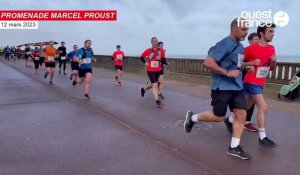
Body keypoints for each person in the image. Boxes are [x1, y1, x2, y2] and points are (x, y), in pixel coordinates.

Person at [184, 18, 251, 160]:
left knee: (241, 115)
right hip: (222, 87)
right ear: (234, 29)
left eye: (247, 29)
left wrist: (245, 67)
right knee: (218, 116)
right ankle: (193, 118)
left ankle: (234, 147)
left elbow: (235, 65)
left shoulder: (240, 47)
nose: (246, 32)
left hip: (237, 87)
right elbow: (208, 62)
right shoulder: (225, 43)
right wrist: (227, 72)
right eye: (244, 29)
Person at [240, 23, 277, 148]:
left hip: (260, 82)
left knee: (246, 106)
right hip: (251, 81)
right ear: (262, 33)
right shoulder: (251, 48)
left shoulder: (272, 48)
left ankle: (230, 120)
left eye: (273, 32)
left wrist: (274, 61)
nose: (273, 34)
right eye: (270, 31)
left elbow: (271, 69)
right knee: (263, 107)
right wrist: (251, 63)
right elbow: (239, 63)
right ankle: (263, 137)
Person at [227, 32, 260, 132]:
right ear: (250, 41)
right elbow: (239, 64)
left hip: (255, 80)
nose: (258, 41)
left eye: (259, 39)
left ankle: (244, 121)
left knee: (252, 100)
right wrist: (252, 63)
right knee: (243, 100)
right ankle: (236, 119)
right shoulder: (245, 50)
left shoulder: (258, 51)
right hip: (243, 79)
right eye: (256, 39)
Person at [140, 37, 166, 107]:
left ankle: (144, 88)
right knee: (155, 85)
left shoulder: (161, 51)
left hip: (159, 70)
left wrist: (160, 57)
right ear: (151, 42)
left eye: (156, 41)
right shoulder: (148, 50)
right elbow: (141, 57)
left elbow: (163, 60)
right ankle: (157, 100)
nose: (156, 42)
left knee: (158, 83)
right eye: (154, 41)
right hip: (151, 70)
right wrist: (145, 62)